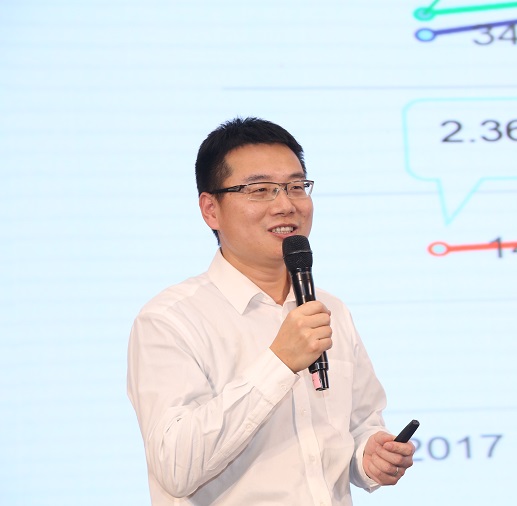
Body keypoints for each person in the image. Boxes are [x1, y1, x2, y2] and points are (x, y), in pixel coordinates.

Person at [127, 117, 414, 505]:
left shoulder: (329, 309)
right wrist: (279, 363)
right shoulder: (169, 321)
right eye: (260, 190)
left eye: (296, 187)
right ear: (210, 209)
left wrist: (369, 455)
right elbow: (176, 467)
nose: (285, 205)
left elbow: (359, 426)